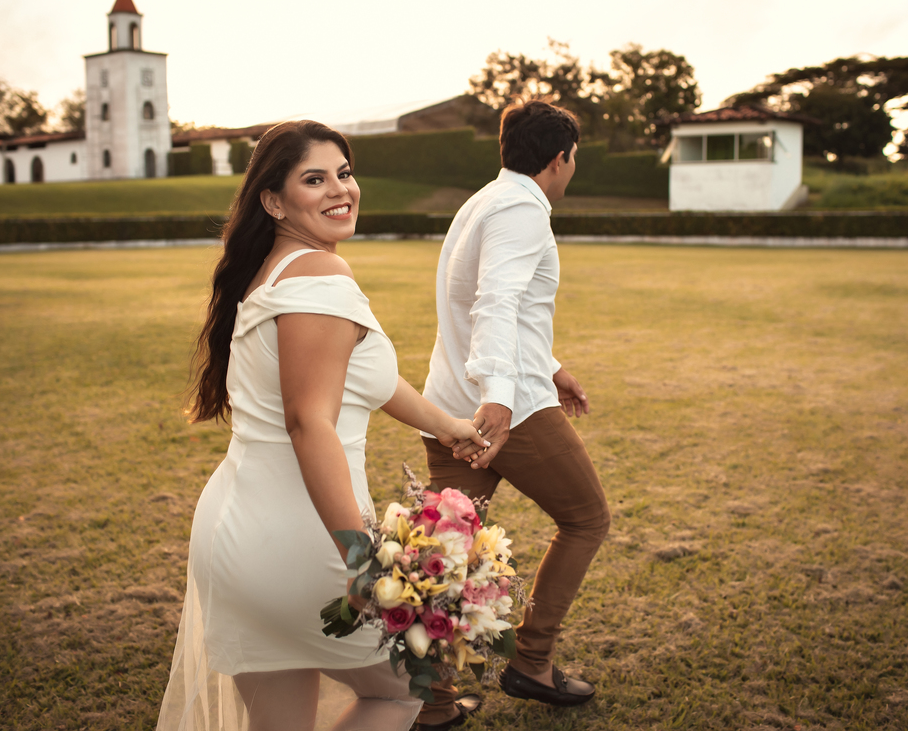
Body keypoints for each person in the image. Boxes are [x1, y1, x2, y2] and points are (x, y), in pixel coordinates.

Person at [156, 120, 490, 731]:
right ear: (274, 201)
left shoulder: (276, 268)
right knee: (401, 690)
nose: (341, 188)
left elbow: (369, 380)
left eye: (344, 172)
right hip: (298, 537)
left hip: (239, 528)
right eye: (315, 178)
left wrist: (447, 425)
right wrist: (362, 558)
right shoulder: (322, 275)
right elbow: (310, 421)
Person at [413, 100, 612, 730]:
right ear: (561, 158)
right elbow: (496, 301)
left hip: (445, 404)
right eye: (573, 158)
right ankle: (532, 661)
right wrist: (501, 392)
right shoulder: (524, 210)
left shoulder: (482, 201)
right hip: (506, 409)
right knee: (586, 518)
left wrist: (551, 365)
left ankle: (436, 704)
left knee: (448, 555)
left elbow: (494, 305)